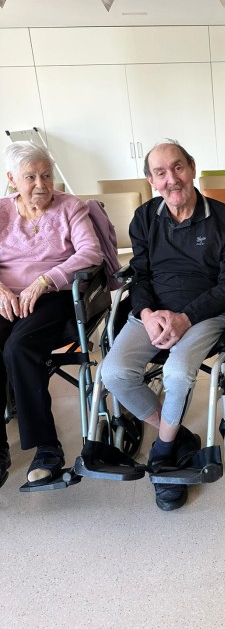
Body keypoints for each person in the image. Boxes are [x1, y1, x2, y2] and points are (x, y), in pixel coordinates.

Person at [101, 140, 225, 511]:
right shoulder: (144, 218)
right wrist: (148, 314)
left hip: (205, 314)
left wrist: (185, 318)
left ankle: (163, 453)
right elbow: (140, 276)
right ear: (151, 181)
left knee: (178, 373)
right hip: (152, 313)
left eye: (178, 167)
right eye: (161, 173)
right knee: (113, 373)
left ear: (192, 168)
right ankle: (178, 434)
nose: (172, 179)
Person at [0, 141, 103, 488]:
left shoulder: (70, 207)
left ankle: (47, 447)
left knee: (19, 347)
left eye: (46, 175)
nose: (41, 184)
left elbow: (90, 252)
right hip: (6, 298)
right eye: (30, 177)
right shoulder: (1, 210)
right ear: (12, 179)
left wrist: (45, 280)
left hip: (53, 296)